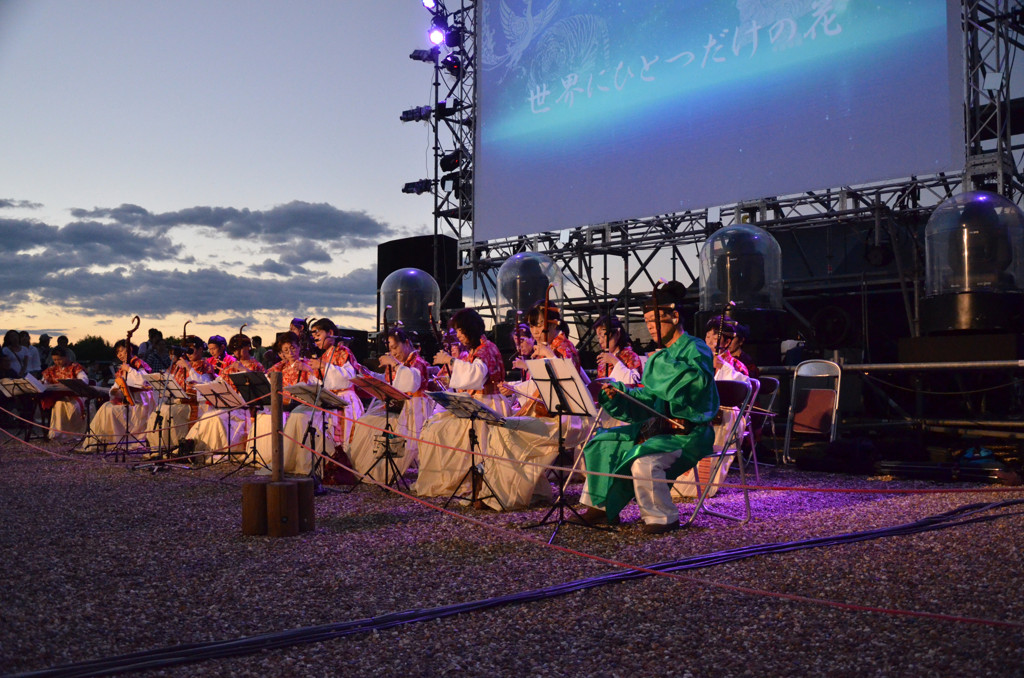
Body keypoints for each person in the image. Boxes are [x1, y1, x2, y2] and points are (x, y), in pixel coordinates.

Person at [576, 281, 719, 534]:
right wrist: (621, 394)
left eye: (656, 320)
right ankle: (598, 505)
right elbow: (650, 398)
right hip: (659, 427)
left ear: (674, 317)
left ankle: (662, 517)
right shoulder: (660, 355)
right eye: (647, 321)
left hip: (688, 431)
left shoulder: (696, 348)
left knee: (644, 461)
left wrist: (661, 360)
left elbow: (695, 385)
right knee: (601, 441)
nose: (651, 327)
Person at [414, 308, 511, 500]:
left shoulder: (486, 349)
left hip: (488, 405)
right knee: (432, 427)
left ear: (470, 329)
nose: (458, 335)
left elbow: (474, 375)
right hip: (476, 402)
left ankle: (470, 480)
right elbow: (467, 377)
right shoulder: (474, 351)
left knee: (444, 431)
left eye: (460, 330)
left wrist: (450, 360)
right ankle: (449, 477)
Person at [349, 327, 435, 483]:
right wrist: (370, 374)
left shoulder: (418, 363)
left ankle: (386, 470)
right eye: (390, 349)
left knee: (376, 424)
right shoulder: (400, 363)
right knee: (364, 422)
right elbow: (390, 383)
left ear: (406, 343)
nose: (393, 352)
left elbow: (409, 384)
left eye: (395, 347)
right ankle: (372, 467)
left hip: (414, 408)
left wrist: (395, 365)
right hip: (397, 407)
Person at [183, 333, 262, 462]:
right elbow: (218, 382)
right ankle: (196, 449)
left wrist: (243, 369)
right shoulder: (230, 367)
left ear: (248, 347)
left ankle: (218, 450)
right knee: (207, 417)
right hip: (228, 403)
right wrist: (201, 384)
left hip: (244, 406)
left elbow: (260, 384)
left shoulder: (255, 365)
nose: (237, 353)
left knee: (217, 419)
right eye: (235, 350)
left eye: (240, 349)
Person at [79, 339, 156, 452]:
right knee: (105, 407)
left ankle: (116, 441)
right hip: (126, 400)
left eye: (122, 351)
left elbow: (143, 381)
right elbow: (116, 385)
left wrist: (129, 369)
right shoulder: (122, 367)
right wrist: (114, 392)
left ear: (129, 350)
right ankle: (97, 442)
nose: (119, 354)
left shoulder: (137, 363)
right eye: (117, 352)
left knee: (110, 410)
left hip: (139, 402)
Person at [40, 346, 88, 440]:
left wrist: (70, 382)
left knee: (72, 407)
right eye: (55, 360)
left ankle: (74, 434)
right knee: (59, 404)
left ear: (66, 357)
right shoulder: (51, 370)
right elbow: (44, 381)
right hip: (59, 396)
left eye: (59, 359)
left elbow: (84, 380)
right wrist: (44, 383)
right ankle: (59, 434)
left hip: (76, 394)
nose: (57, 362)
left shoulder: (75, 367)